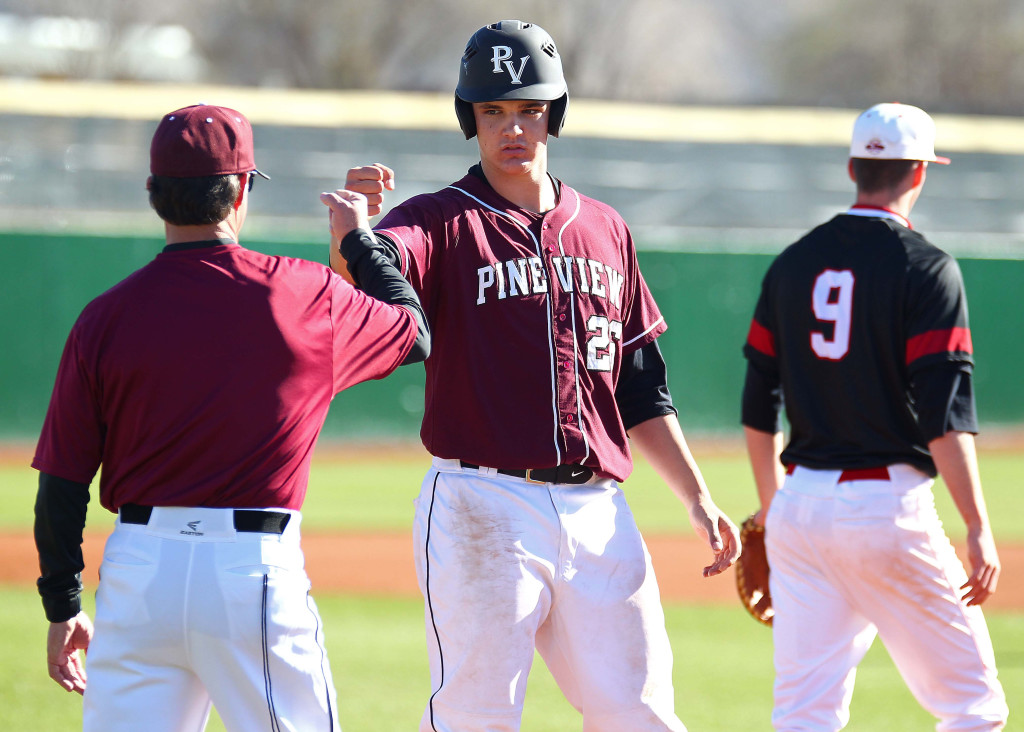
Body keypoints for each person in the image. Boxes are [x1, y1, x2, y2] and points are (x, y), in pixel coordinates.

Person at [337, 19, 740, 732]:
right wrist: (356, 237)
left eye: (527, 108)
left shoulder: (605, 227)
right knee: (476, 716)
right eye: (493, 110)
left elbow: (641, 383)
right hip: (481, 503)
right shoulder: (439, 220)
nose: (512, 126)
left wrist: (698, 498)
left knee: (642, 713)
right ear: (471, 119)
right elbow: (377, 268)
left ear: (553, 113)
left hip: (599, 510)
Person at [32, 103, 430, 732]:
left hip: (137, 575)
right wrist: (358, 238)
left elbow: (60, 483)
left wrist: (63, 603)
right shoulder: (302, 293)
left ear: (152, 192)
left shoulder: (103, 317)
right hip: (251, 574)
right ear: (241, 188)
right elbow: (414, 332)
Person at [741, 102, 1008, 730]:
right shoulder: (928, 268)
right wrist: (976, 524)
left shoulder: (793, 262)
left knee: (805, 716)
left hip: (800, 508)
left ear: (853, 167)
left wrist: (774, 508)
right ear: (919, 173)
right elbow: (943, 417)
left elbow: (757, 406)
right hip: (886, 510)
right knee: (975, 708)